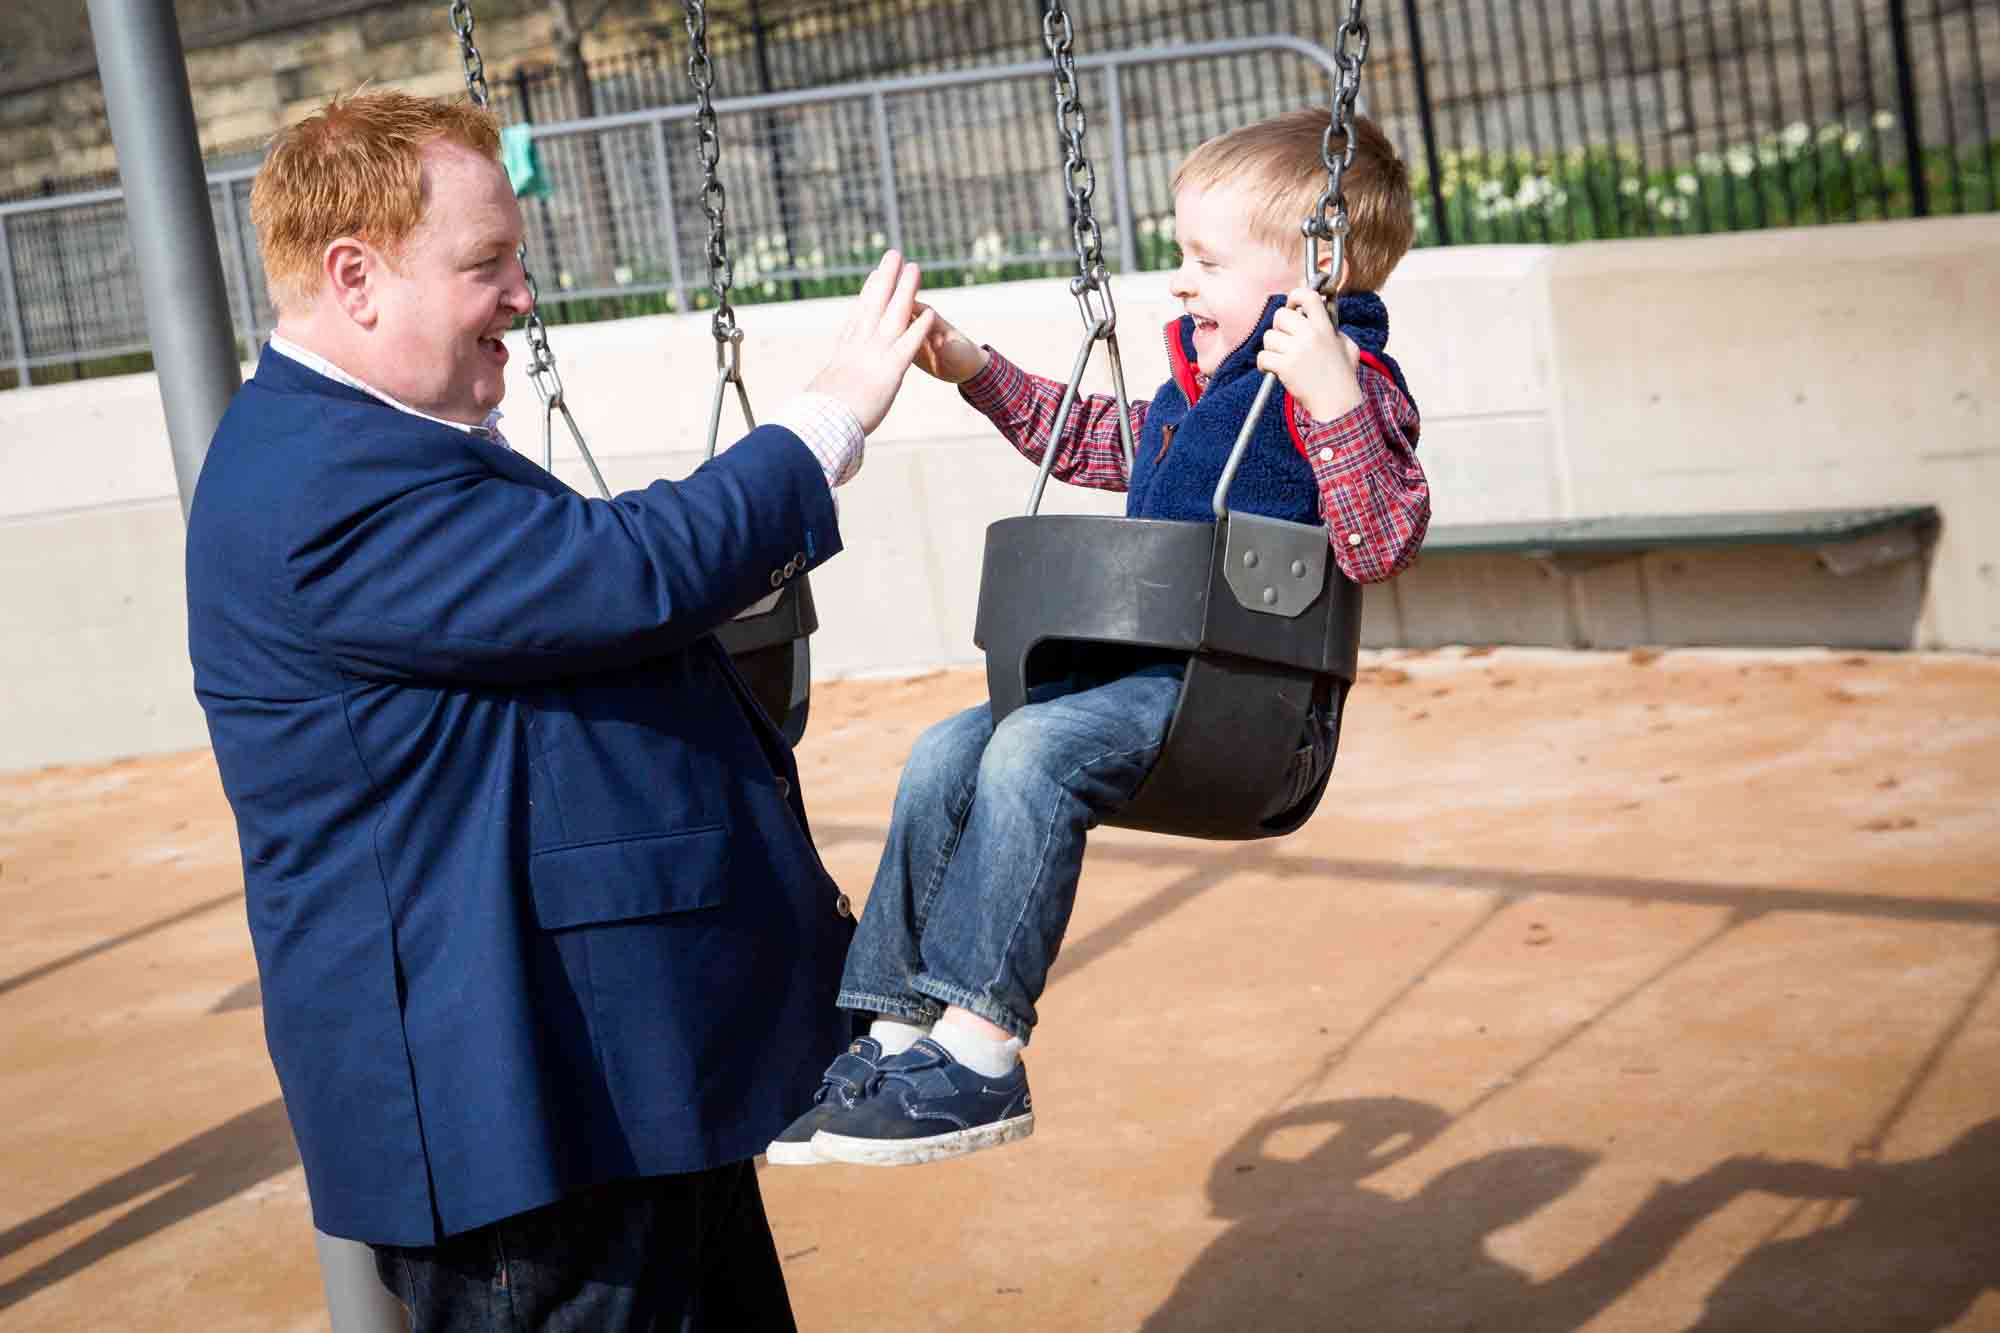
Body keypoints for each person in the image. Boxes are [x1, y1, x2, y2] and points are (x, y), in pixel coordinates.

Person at [185, 89, 933, 1329]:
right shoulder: (322, 485)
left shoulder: (377, 447)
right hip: (519, 1120)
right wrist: (823, 423)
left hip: (607, 1083)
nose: (522, 296)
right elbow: (616, 574)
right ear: (355, 279)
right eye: (487, 265)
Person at [768, 110, 1431, 1168]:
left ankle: (979, 1055)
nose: (1178, 280)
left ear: (1317, 265)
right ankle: (891, 1032)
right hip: (1130, 688)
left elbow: (1382, 539)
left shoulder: (1345, 386)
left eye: (1204, 260)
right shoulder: (1195, 392)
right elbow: (1085, 438)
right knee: (947, 749)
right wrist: (975, 368)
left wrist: (1334, 393)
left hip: (1246, 714)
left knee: (1029, 751)